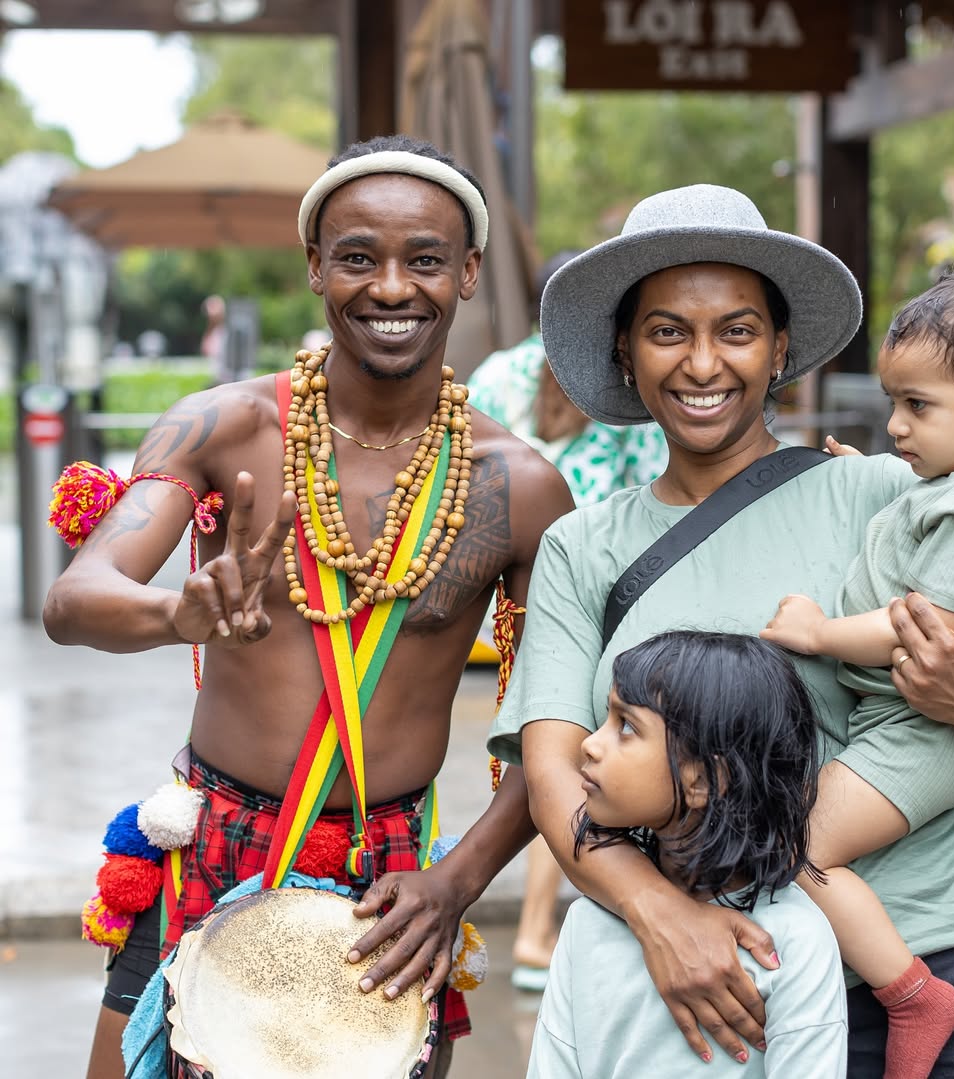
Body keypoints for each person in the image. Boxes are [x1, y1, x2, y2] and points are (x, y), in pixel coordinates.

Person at [486, 184, 954, 1077]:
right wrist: (660, 914)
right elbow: (552, 775)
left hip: (935, 967)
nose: (701, 363)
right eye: (665, 331)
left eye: (735, 329)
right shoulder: (583, 547)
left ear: (779, 347)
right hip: (715, 998)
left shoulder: (885, 494)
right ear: (624, 348)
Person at [43, 133, 574, 1079]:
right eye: (359, 256)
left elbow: (557, 728)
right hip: (210, 838)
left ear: (468, 273)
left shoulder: (520, 485)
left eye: (425, 260)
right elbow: (76, 598)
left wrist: (458, 881)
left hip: (396, 880)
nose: (391, 287)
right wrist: (177, 616)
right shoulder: (223, 425)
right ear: (316, 264)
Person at [761, 268, 954, 1078]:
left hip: (919, 721)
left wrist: (821, 631)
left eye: (918, 407)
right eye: (894, 403)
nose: (898, 424)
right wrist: (880, 466)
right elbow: (929, 500)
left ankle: (912, 993)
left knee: (801, 844)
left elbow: (924, 624)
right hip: (920, 727)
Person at [467, 250, 668, 991]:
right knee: (589, 761)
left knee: (548, 755)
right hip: (610, 598)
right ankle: (534, 932)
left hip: (514, 599)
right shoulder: (619, 386)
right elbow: (655, 491)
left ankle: (533, 931)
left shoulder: (496, 374)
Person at [528, 630, 848, 1078]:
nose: (590, 743)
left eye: (626, 726)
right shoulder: (588, 922)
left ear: (703, 780)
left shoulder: (793, 940)